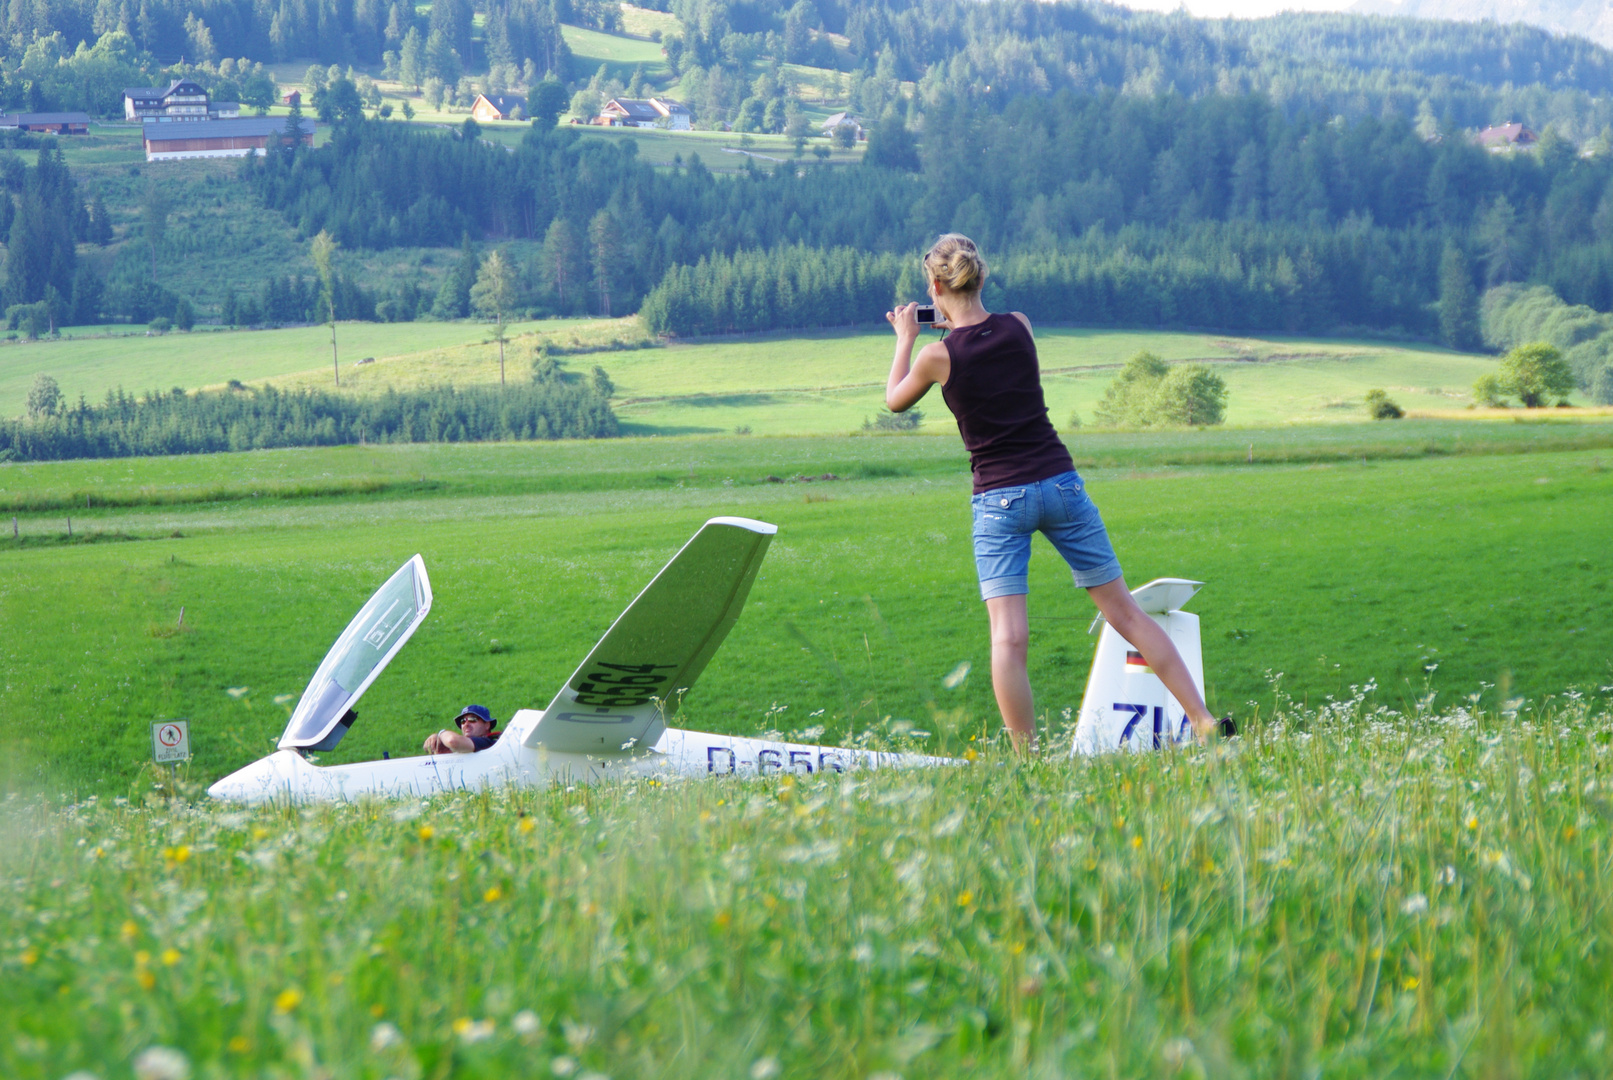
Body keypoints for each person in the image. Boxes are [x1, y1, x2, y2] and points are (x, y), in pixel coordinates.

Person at [883, 233, 1226, 753]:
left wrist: (905, 337)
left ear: (934, 286)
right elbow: (996, 360)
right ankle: (1201, 720)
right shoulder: (1020, 327)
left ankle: (1029, 761)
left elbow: (894, 401)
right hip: (1061, 483)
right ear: (980, 277)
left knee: (1009, 638)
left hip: (1000, 499)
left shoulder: (936, 356)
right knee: (1126, 612)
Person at [424, 704, 501, 754]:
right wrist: (437, 744)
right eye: (463, 721)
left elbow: (452, 740)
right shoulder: (467, 745)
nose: (466, 724)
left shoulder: (487, 743)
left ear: (487, 725)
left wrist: (441, 733)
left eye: (472, 719)